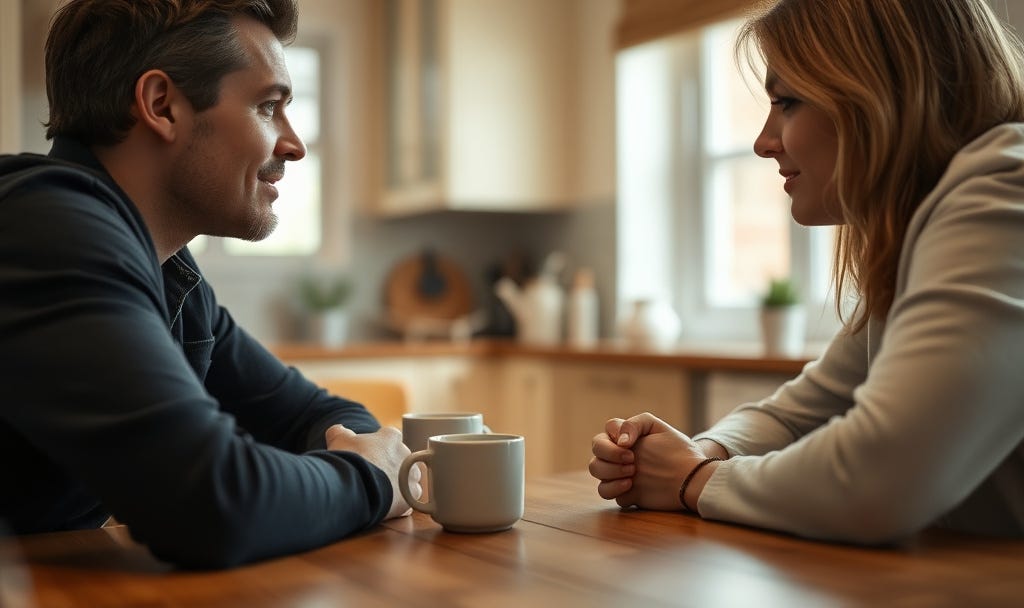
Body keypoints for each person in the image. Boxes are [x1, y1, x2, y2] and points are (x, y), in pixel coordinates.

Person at [0, 0, 418, 569]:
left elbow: (311, 415)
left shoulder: (171, 274)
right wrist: (369, 478)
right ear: (161, 105)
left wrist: (364, 457)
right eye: (267, 106)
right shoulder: (49, 228)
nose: (294, 143)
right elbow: (213, 504)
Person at [591, 0, 1024, 543]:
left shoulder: (1005, 192)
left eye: (787, 103)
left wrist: (693, 480)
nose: (762, 142)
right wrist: (702, 450)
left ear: (877, 94)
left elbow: (880, 480)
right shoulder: (932, 227)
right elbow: (808, 407)